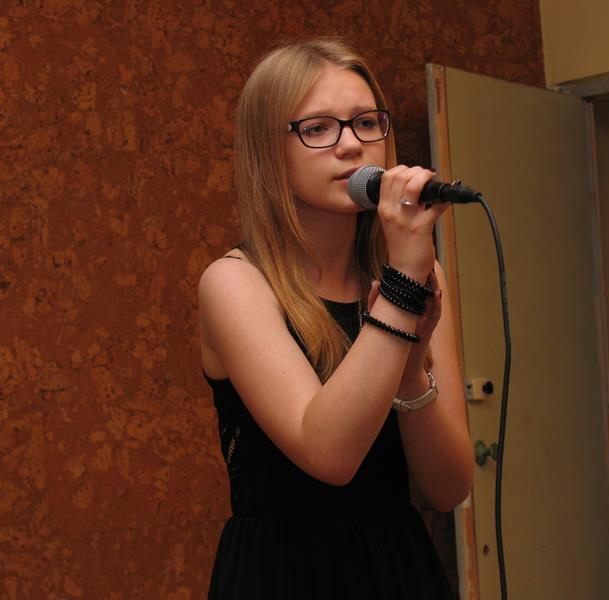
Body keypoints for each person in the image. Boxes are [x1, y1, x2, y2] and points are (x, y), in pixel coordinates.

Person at [197, 37, 474, 599]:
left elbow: (449, 488)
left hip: (395, 566)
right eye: (318, 128)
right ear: (268, 151)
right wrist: (401, 288)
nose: (351, 145)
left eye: (366, 123)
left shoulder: (418, 275)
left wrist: (410, 372)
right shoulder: (235, 283)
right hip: (282, 573)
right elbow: (329, 455)